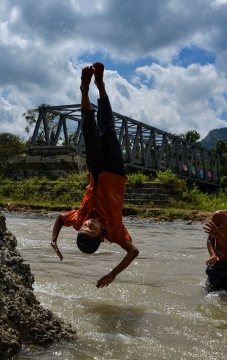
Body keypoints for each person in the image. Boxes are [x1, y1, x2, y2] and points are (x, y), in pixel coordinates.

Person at [50, 62, 139, 288]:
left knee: (89, 130)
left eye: (84, 227)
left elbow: (61, 218)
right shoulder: (115, 234)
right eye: (91, 229)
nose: (88, 224)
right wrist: (113, 274)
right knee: (108, 127)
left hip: (97, 171)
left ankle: (84, 89)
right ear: (100, 236)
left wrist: (54, 240)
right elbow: (133, 251)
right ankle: (101, 86)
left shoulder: (79, 218)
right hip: (117, 172)